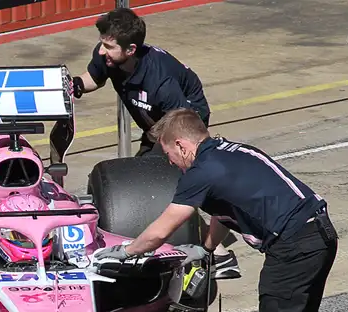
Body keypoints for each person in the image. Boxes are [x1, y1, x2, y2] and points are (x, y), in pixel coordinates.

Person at [94, 108, 338, 312]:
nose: (171, 163)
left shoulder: (201, 172)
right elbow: (226, 211)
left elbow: (162, 229)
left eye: (169, 155)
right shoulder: (231, 152)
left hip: (294, 246)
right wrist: (205, 249)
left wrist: (125, 252)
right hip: (320, 235)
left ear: (181, 146)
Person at [71, 7, 241, 280]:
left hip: (182, 123)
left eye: (109, 47)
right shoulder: (110, 55)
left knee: (159, 184)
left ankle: (219, 255)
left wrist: (170, 151)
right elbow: (95, 77)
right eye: (102, 44)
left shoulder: (161, 81)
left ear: (131, 50)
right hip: (155, 125)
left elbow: (185, 125)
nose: (102, 52)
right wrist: (75, 85)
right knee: (144, 181)